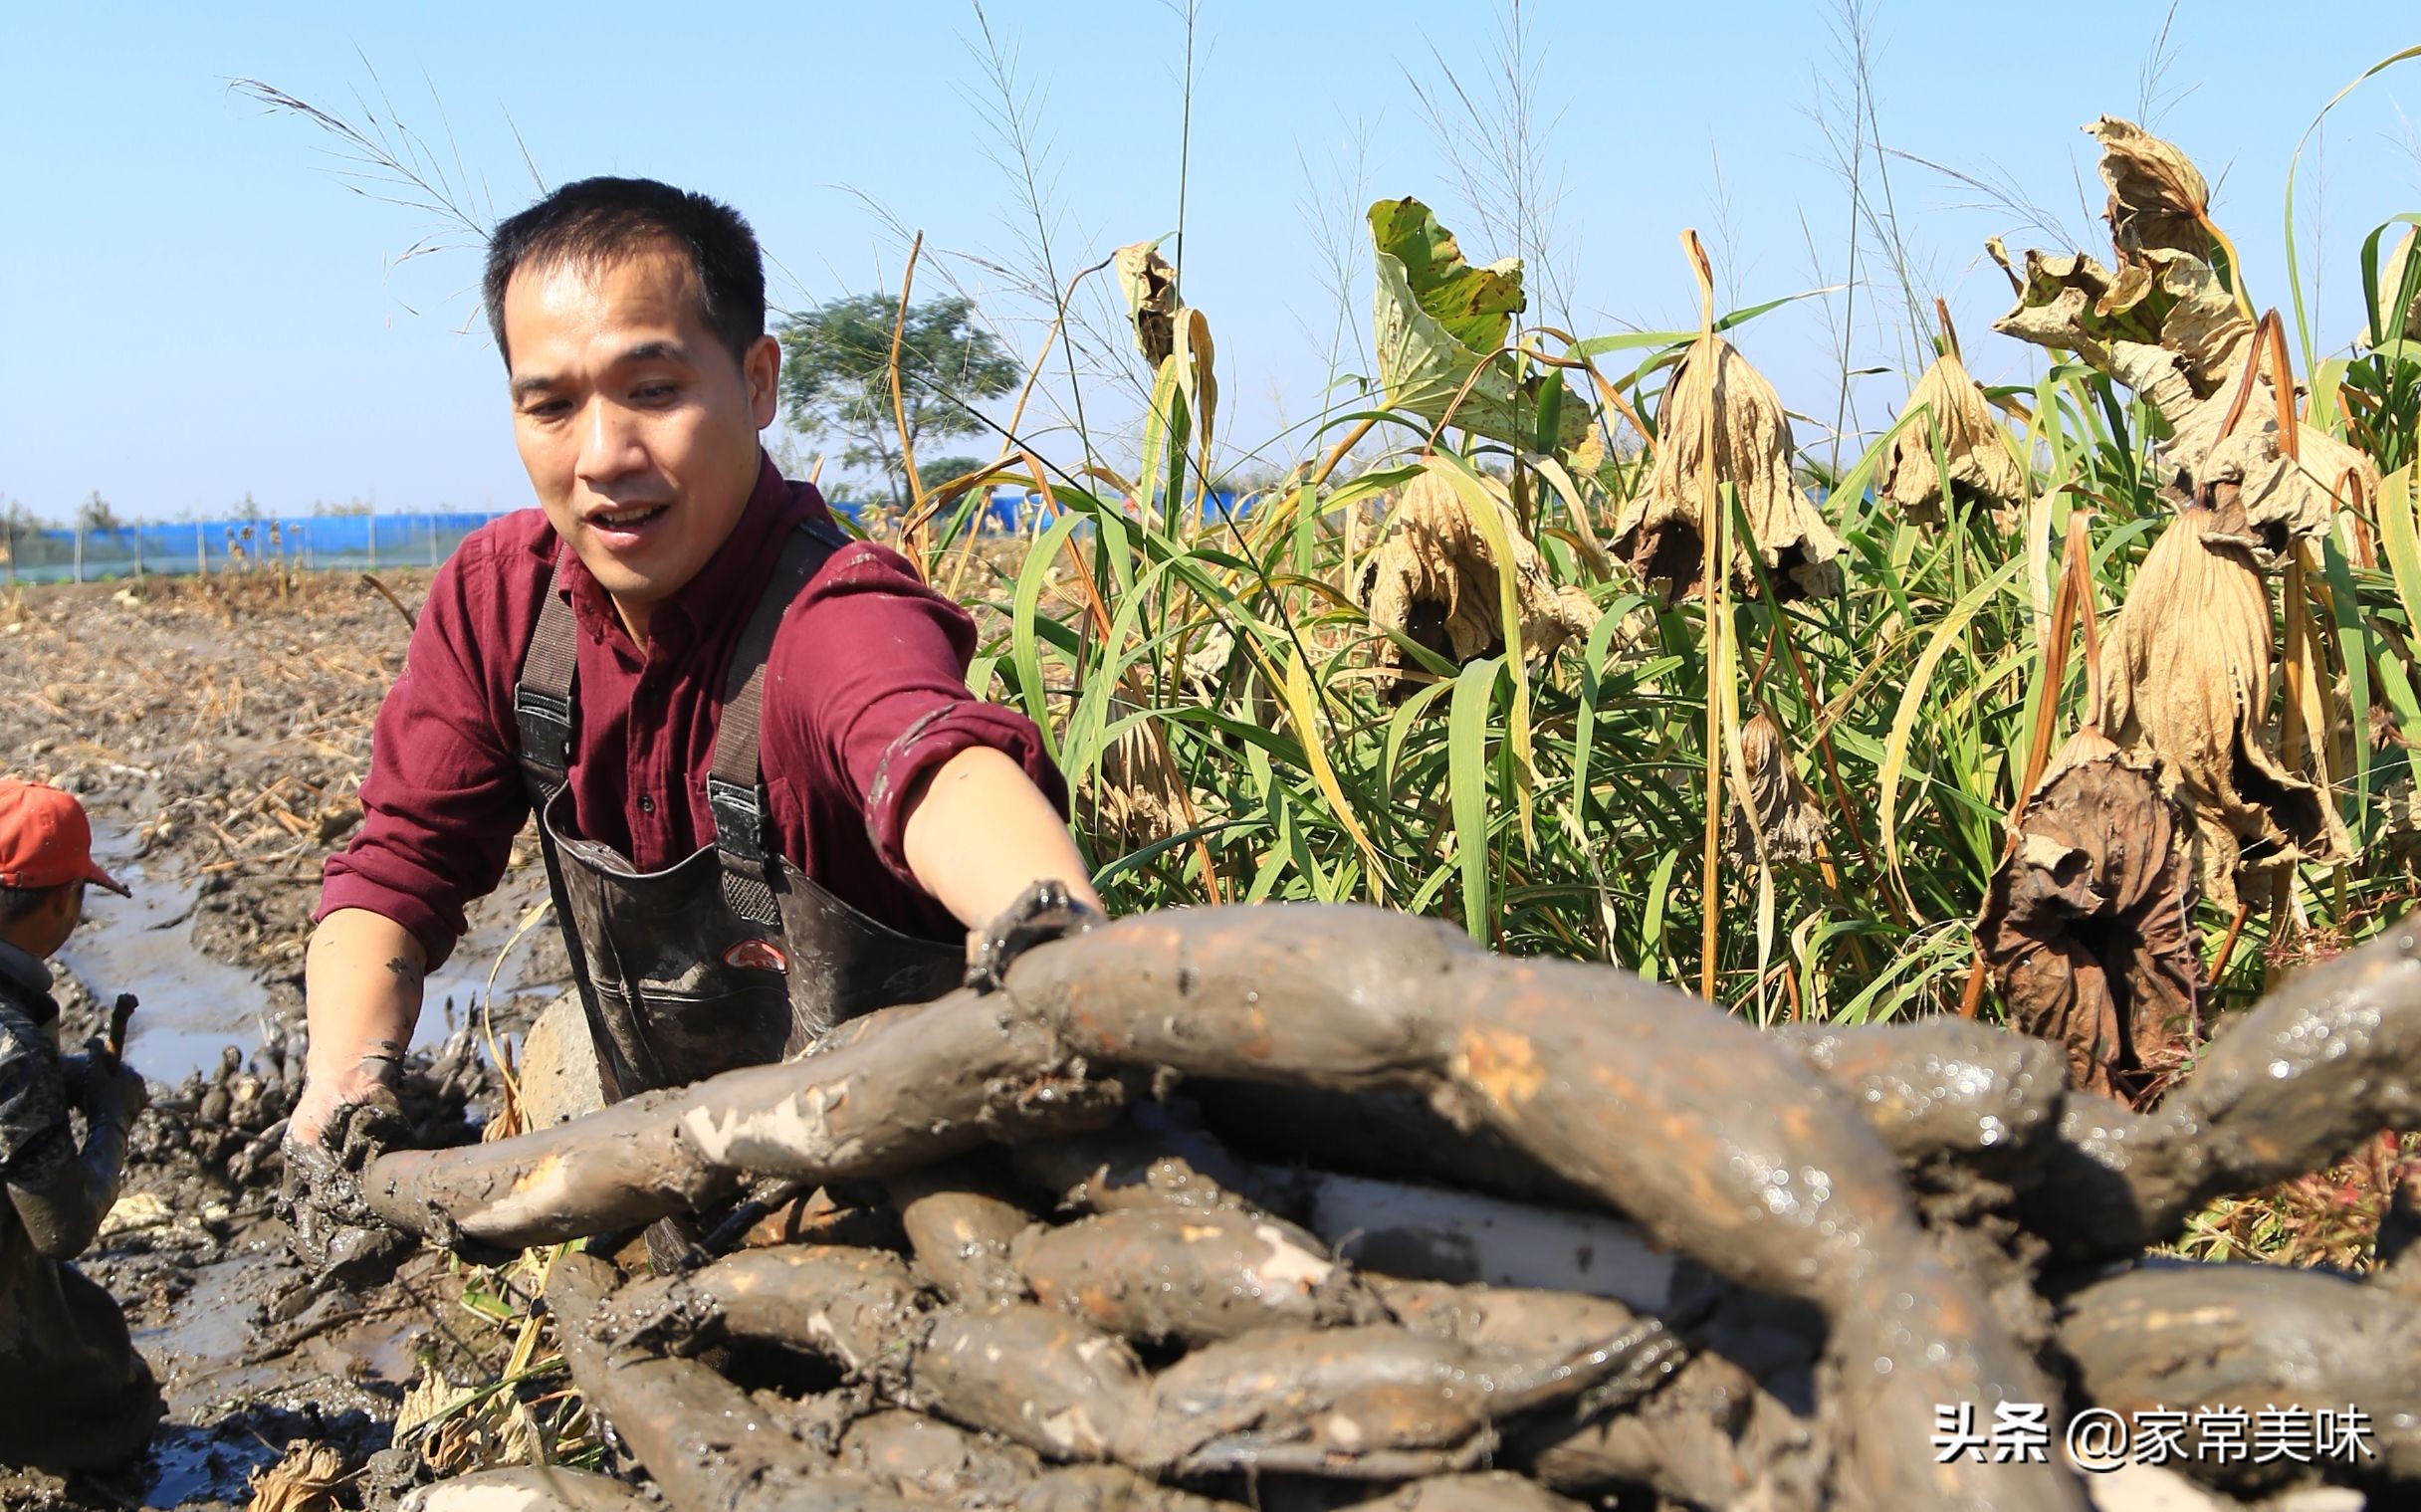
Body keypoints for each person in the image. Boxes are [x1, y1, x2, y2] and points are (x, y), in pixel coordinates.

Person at [285, 177, 1103, 1272]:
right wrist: (345, 1084)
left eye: (654, 388)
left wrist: (1052, 943)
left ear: (757, 382)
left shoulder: (833, 615)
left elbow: (935, 760)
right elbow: (396, 870)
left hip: (901, 1199)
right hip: (660, 1178)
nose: (603, 455)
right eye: (552, 405)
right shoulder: (498, 603)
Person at [0, 778, 160, 1471]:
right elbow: (60, 1228)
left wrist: (60, 1079)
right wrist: (110, 1117)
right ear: (64, 898)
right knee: (114, 1401)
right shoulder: (14, 1045)